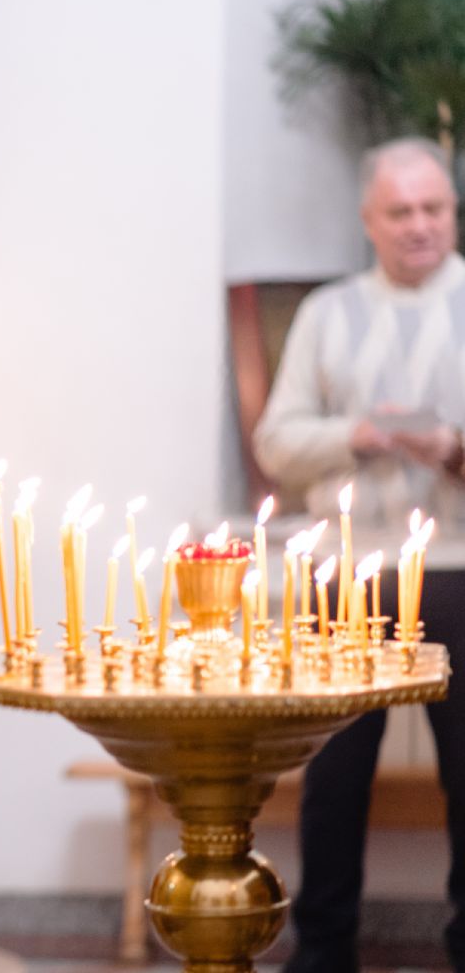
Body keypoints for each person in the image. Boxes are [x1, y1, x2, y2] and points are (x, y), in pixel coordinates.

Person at [254, 136, 465, 972]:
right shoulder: (326, 313)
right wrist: (359, 434)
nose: (418, 225)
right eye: (399, 211)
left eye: (433, 208)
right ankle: (322, 951)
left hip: (457, 572)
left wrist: (451, 449)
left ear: (452, 211)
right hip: (345, 573)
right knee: (333, 779)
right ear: (367, 221)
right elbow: (276, 442)